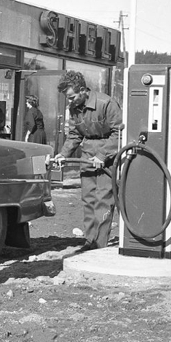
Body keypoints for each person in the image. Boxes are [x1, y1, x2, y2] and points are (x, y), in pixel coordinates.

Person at [53, 70, 122, 250]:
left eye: (72, 97)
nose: (70, 101)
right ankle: (90, 241)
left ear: (83, 90)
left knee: (103, 200)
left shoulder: (106, 103)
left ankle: (99, 244)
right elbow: (75, 134)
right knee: (88, 199)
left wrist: (102, 155)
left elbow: (119, 134)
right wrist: (64, 154)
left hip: (108, 157)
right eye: (67, 98)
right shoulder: (74, 108)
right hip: (87, 156)